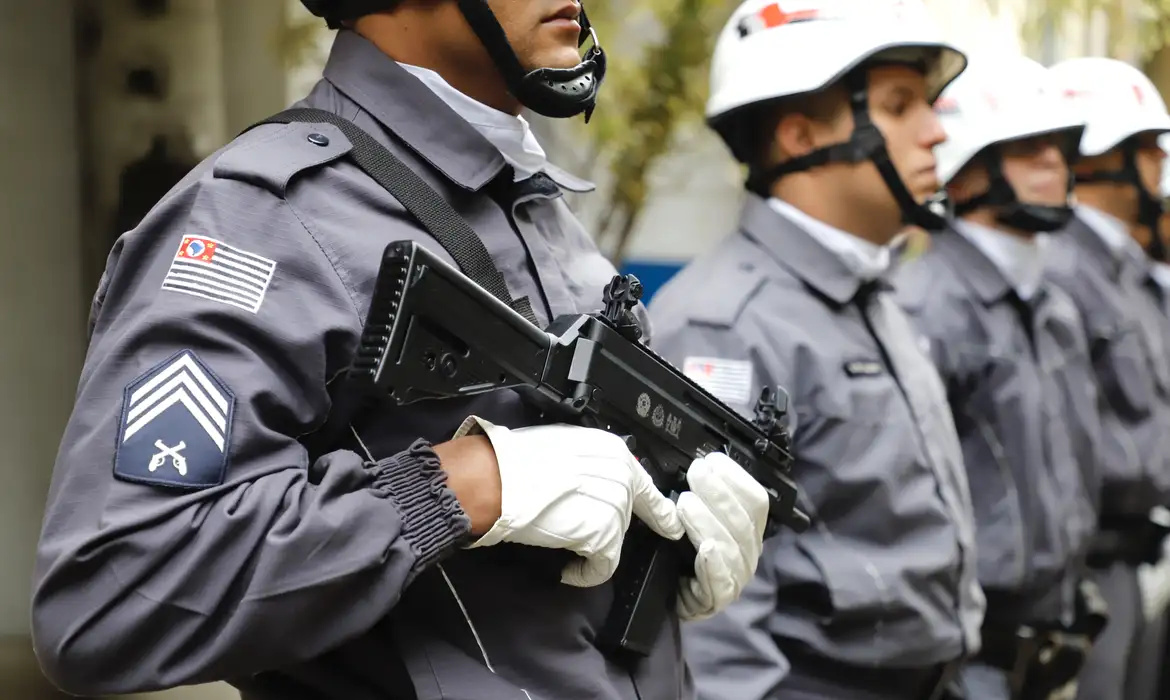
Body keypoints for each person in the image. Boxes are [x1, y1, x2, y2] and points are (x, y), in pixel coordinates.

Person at [28, 2, 772, 699]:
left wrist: (663, 554)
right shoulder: (257, 216)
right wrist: (463, 487)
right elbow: (109, 598)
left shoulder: (549, 223)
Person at [648, 1, 983, 698]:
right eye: (899, 106)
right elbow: (716, 623)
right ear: (800, 136)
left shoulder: (872, 295)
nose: (936, 131)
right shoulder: (725, 326)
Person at [893, 53, 1104, 700]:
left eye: (1060, 146)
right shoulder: (928, 306)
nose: (1054, 164)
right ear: (967, 167)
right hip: (969, 659)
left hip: (1050, 641)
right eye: (1028, 147)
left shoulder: (1053, 306)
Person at [1043, 56, 1170, 700]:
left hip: (1134, 551)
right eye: (1145, 147)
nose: (1159, 162)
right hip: (1090, 560)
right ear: (1098, 157)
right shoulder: (1063, 268)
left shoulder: (1120, 269)